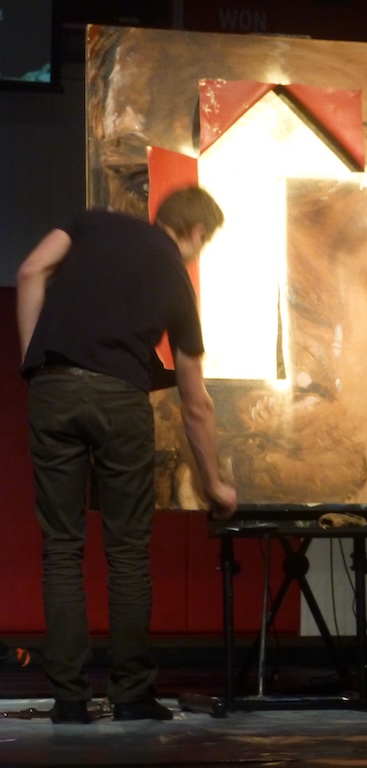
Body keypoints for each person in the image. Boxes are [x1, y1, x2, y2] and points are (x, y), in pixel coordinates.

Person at [16, 186, 238, 724]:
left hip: (53, 386)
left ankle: (70, 700)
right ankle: (131, 694)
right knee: (128, 553)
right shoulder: (177, 279)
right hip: (120, 399)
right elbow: (195, 402)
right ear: (197, 233)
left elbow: (30, 271)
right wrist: (214, 484)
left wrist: (33, 360)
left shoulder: (91, 222)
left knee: (62, 548)